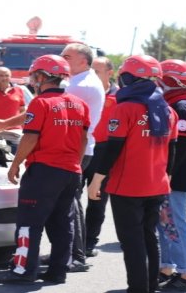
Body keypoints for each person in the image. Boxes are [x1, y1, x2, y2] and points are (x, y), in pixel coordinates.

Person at [0, 54, 90, 284]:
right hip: (71, 171)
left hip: (43, 172)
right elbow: (83, 139)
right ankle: (58, 272)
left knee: (28, 224)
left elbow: (30, 138)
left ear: (43, 76)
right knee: (62, 224)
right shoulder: (79, 104)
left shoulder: (40, 102)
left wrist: (15, 165)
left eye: (34, 75)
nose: (33, 80)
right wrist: (76, 163)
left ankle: (23, 271)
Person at [88, 54, 178, 293]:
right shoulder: (168, 111)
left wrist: (97, 178)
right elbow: (173, 149)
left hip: (127, 186)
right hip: (156, 185)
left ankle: (137, 288)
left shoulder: (124, 108)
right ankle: (149, 287)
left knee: (132, 241)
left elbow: (112, 148)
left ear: (129, 78)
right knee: (149, 237)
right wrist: (166, 177)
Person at [155, 59, 186, 292]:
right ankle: (167, 267)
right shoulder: (176, 103)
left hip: (176, 177)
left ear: (170, 80)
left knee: (176, 224)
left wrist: (168, 173)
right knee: (165, 225)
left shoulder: (182, 106)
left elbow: (181, 147)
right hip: (170, 176)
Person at [57, 43, 104, 270]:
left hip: (76, 149)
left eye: (67, 56)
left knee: (70, 203)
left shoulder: (81, 86)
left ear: (83, 61)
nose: (61, 59)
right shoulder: (77, 81)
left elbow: (48, 106)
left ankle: (75, 256)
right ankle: (71, 253)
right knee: (70, 202)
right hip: (77, 148)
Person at [83, 56, 118, 257]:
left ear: (109, 73)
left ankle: (89, 242)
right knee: (70, 200)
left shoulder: (120, 96)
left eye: (97, 71)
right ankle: (71, 244)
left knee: (97, 199)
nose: (93, 76)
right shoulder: (84, 92)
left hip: (105, 152)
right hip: (82, 148)